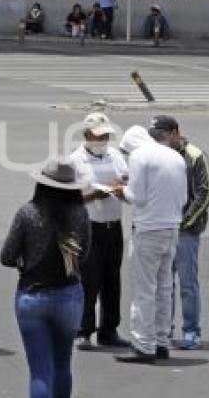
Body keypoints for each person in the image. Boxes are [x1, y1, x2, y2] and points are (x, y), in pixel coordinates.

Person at [1, 159, 90, 398]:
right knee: (63, 365)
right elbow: (85, 254)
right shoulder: (80, 213)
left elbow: (7, 256)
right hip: (69, 293)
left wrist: (25, 261)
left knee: (40, 371)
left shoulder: (28, 212)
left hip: (33, 293)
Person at [113, 121, 187, 363]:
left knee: (145, 290)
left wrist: (121, 191)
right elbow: (184, 197)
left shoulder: (139, 156)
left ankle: (144, 346)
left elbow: (138, 197)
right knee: (165, 288)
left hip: (148, 229)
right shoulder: (175, 156)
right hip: (172, 228)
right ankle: (161, 342)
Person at [69, 113, 130, 350]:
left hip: (113, 225)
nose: (102, 139)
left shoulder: (114, 155)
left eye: (105, 135)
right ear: (86, 135)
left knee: (112, 279)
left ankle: (109, 330)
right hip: (89, 227)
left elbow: (125, 178)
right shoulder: (75, 161)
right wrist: (94, 195)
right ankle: (83, 330)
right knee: (88, 280)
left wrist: (120, 186)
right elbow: (69, 198)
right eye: (98, 135)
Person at [170, 123, 209, 350]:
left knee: (187, 284)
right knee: (165, 284)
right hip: (163, 229)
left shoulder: (195, 156)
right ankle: (164, 330)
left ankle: (191, 332)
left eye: (163, 135)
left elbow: (206, 192)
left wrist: (185, 222)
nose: (159, 140)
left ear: (175, 134)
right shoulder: (160, 154)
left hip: (186, 232)